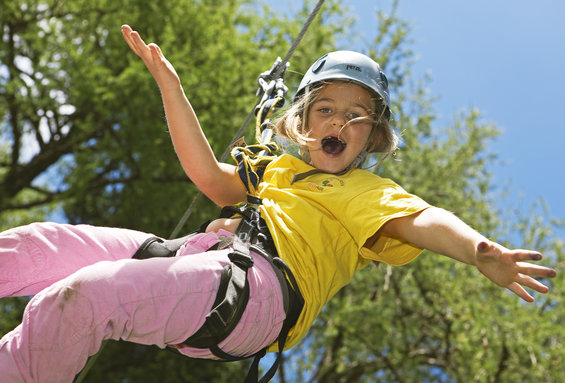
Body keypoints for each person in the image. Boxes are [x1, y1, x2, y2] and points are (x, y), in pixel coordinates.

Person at [0, 25, 556, 383]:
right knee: (37, 246)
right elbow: (209, 179)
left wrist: (478, 250)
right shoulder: (276, 168)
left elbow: (423, 219)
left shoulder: (363, 193)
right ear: (304, 120)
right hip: (199, 254)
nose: (339, 121)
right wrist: (173, 90)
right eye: (327, 109)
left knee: (86, 294)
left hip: (256, 295)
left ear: (371, 139)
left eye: (357, 116)